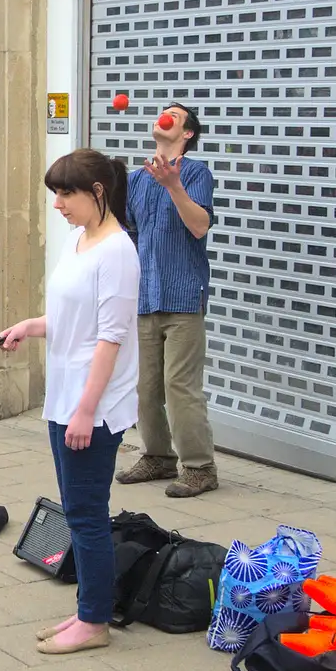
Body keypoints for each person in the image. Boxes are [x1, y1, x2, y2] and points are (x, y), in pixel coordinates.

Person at [0, 148, 140, 655]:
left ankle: (94, 622)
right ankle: (87, 609)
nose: (57, 204)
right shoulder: (80, 241)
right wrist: (30, 327)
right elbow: (69, 317)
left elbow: (110, 338)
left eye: (66, 194)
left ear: (97, 193)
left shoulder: (118, 252)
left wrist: (86, 410)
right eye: (55, 193)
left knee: (85, 512)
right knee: (78, 508)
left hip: (91, 405)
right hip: (66, 395)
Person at [113, 103, 219, 499]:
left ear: (187, 133)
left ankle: (199, 467)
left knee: (180, 386)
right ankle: (157, 457)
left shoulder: (195, 173)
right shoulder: (138, 180)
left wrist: (173, 185)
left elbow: (199, 225)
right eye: (163, 111)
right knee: (144, 386)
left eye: (174, 114)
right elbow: (129, 236)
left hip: (183, 296)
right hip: (144, 297)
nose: (164, 116)